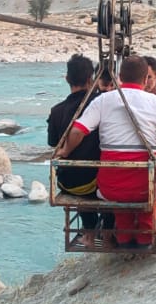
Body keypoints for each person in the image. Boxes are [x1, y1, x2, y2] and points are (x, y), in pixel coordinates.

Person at [57, 56, 156, 250]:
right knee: (146, 202)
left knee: (120, 205)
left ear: (119, 77)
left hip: (110, 186)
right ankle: (144, 243)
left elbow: (78, 131)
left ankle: (124, 241)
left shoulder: (103, 100)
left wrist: (65, 150)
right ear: (145, 80)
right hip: (145, 184)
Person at [47, 54, 112, 247]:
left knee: (81, 177)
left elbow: (53, 143)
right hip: (97, 182)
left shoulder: (57, 110)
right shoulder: (102, 104)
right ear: (91, 79)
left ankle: (89, 231)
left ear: (67, 79)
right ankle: (108, 232)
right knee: (107, 176)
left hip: (68, 183)